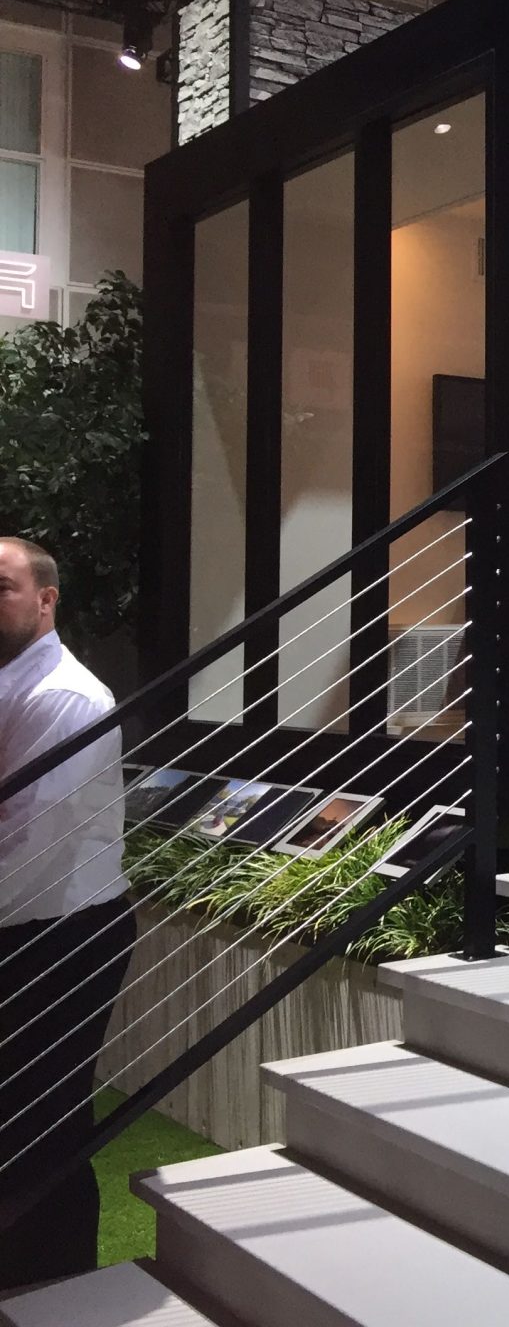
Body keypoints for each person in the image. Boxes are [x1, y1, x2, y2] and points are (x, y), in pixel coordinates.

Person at [0, 537, 132, 1289]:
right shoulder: (13, 684)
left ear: (47, 599)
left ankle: (53, 1288)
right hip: (26, 924)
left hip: (55, 936)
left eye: (2, 587)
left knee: (40, 1125)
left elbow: (30, 844)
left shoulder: (62, 697)